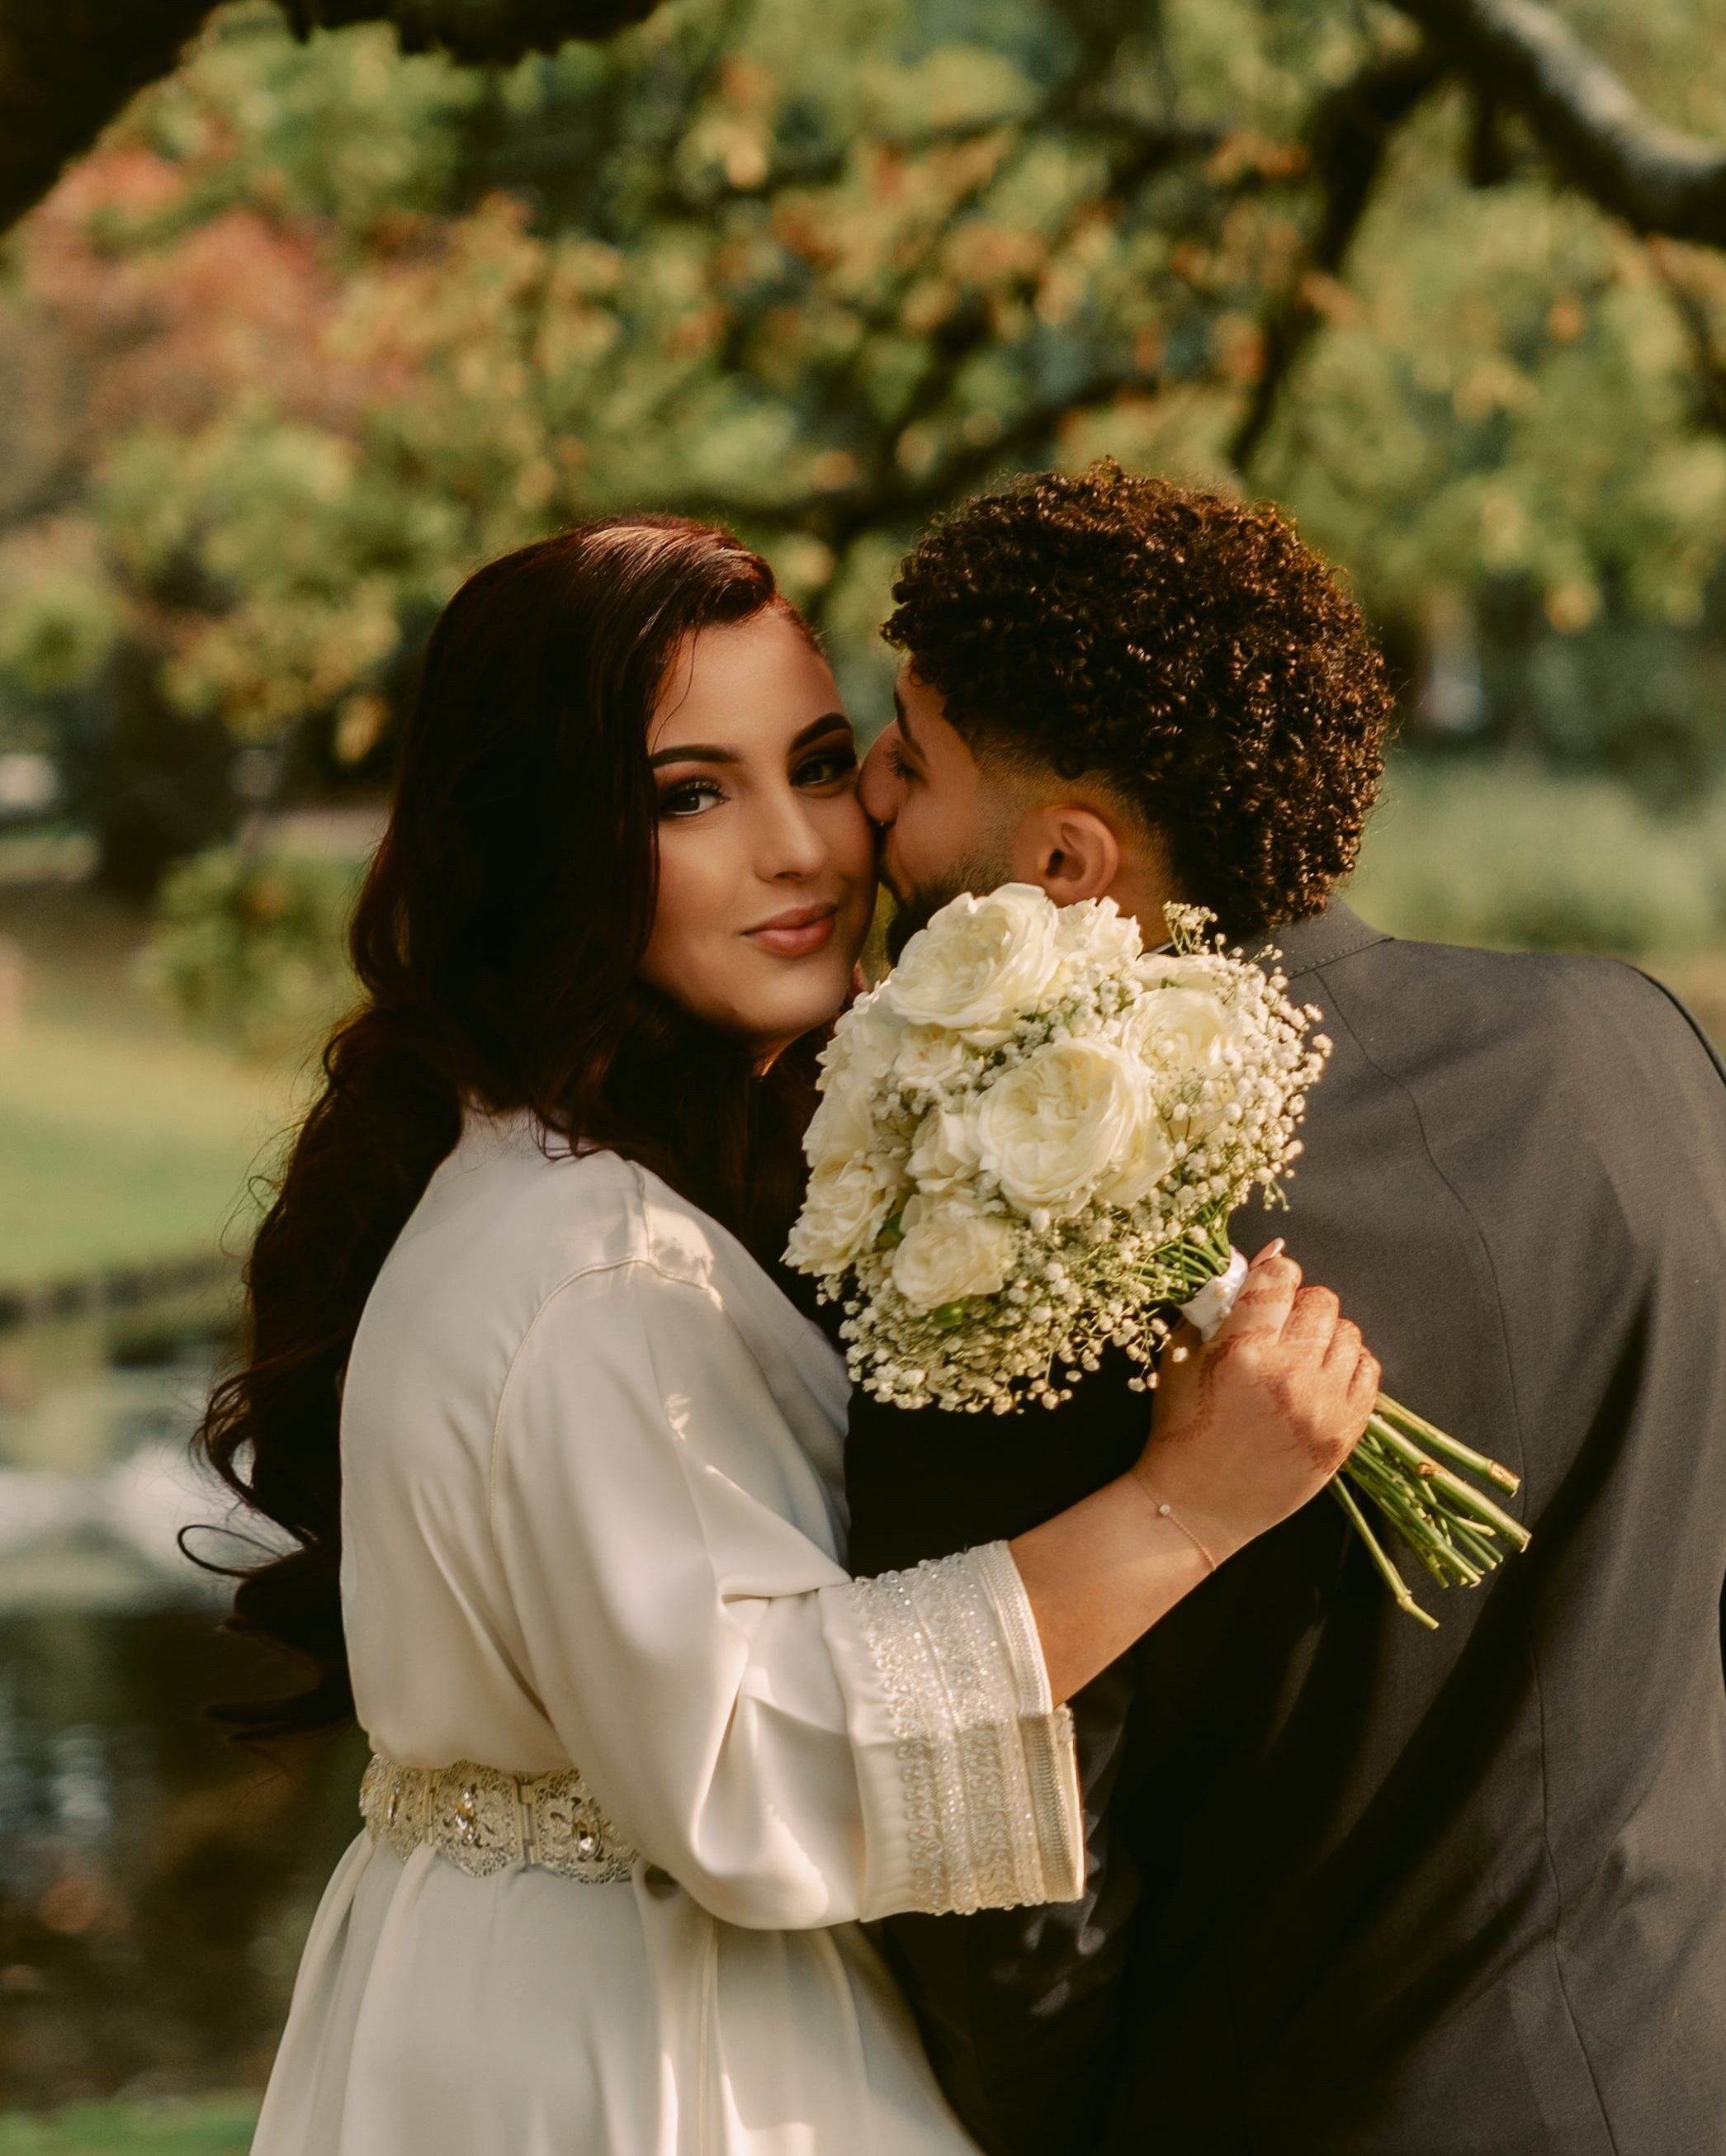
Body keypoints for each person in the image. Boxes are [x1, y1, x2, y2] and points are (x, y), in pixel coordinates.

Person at [196, 513, 1380, 2156]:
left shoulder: (564, 1184)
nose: (804, 849)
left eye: (821, 765)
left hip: (522, 1999)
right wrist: (1182, 1510)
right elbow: (758, 1753)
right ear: (553, 839)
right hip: (640, 2047)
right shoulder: (599, 1274)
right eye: (693, 794)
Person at [844, 464, 1726, 2156]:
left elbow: (1006, 1856)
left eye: (911, 752)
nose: (871, 796)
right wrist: (1641, 1952)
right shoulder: (1641, 1049)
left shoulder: (1004, 1219)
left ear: (1064, 855)